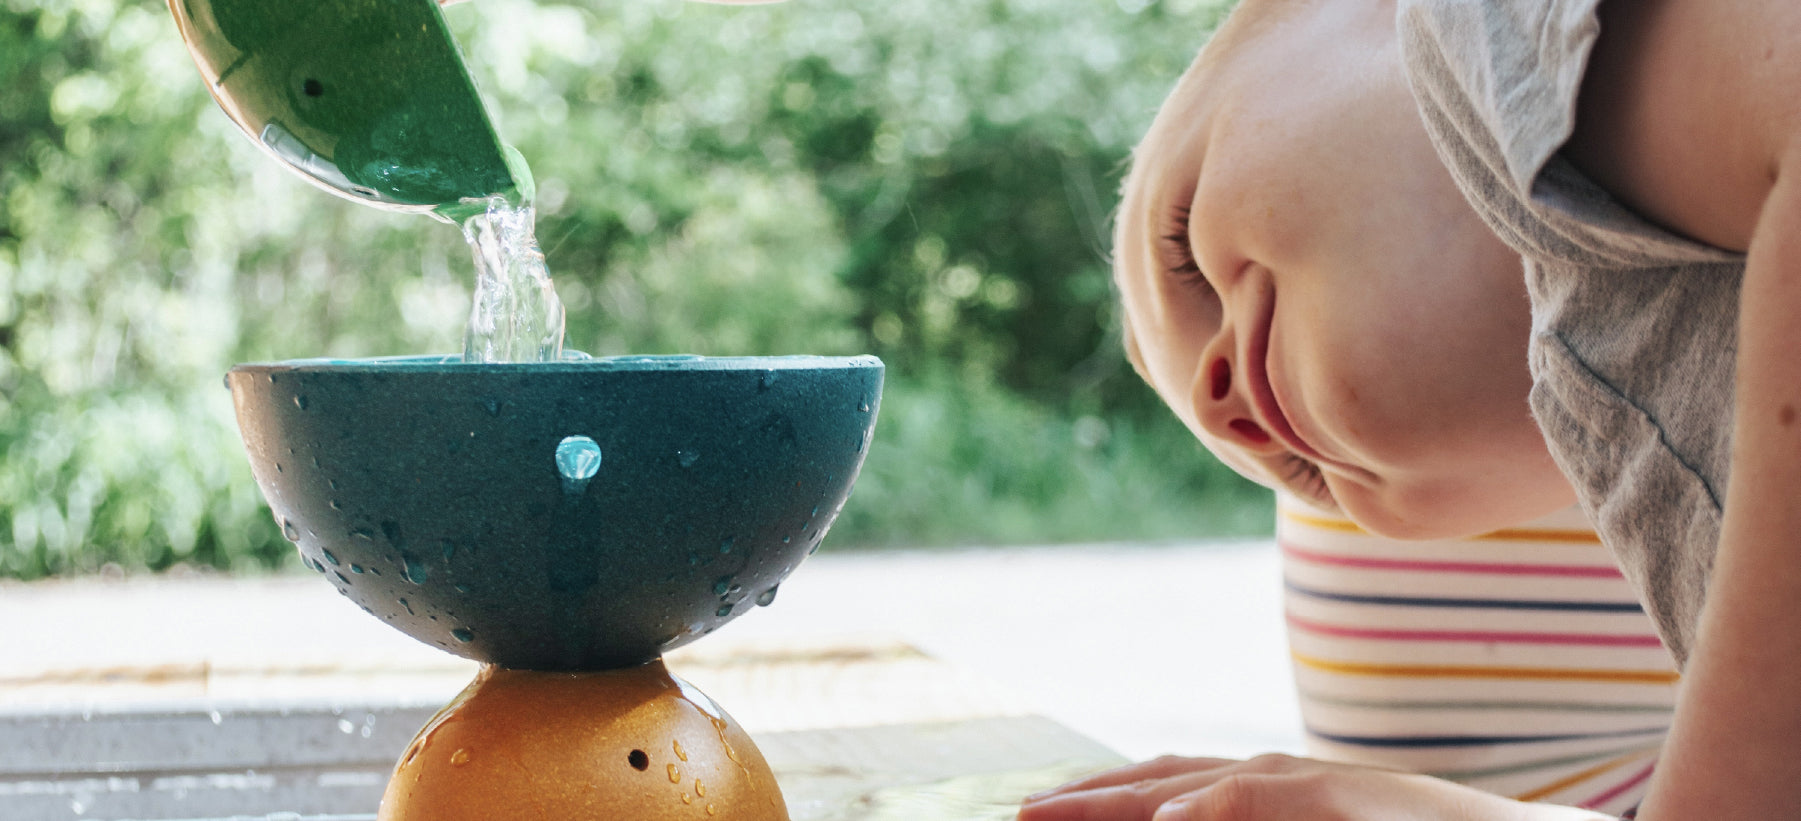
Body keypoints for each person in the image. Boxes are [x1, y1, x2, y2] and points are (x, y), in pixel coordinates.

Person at [1017, 0, 1801, 819]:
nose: (1221, 414)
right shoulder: (1681, 467)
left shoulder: (1492, 33)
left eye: (1185, 255)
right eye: (1301, 475)